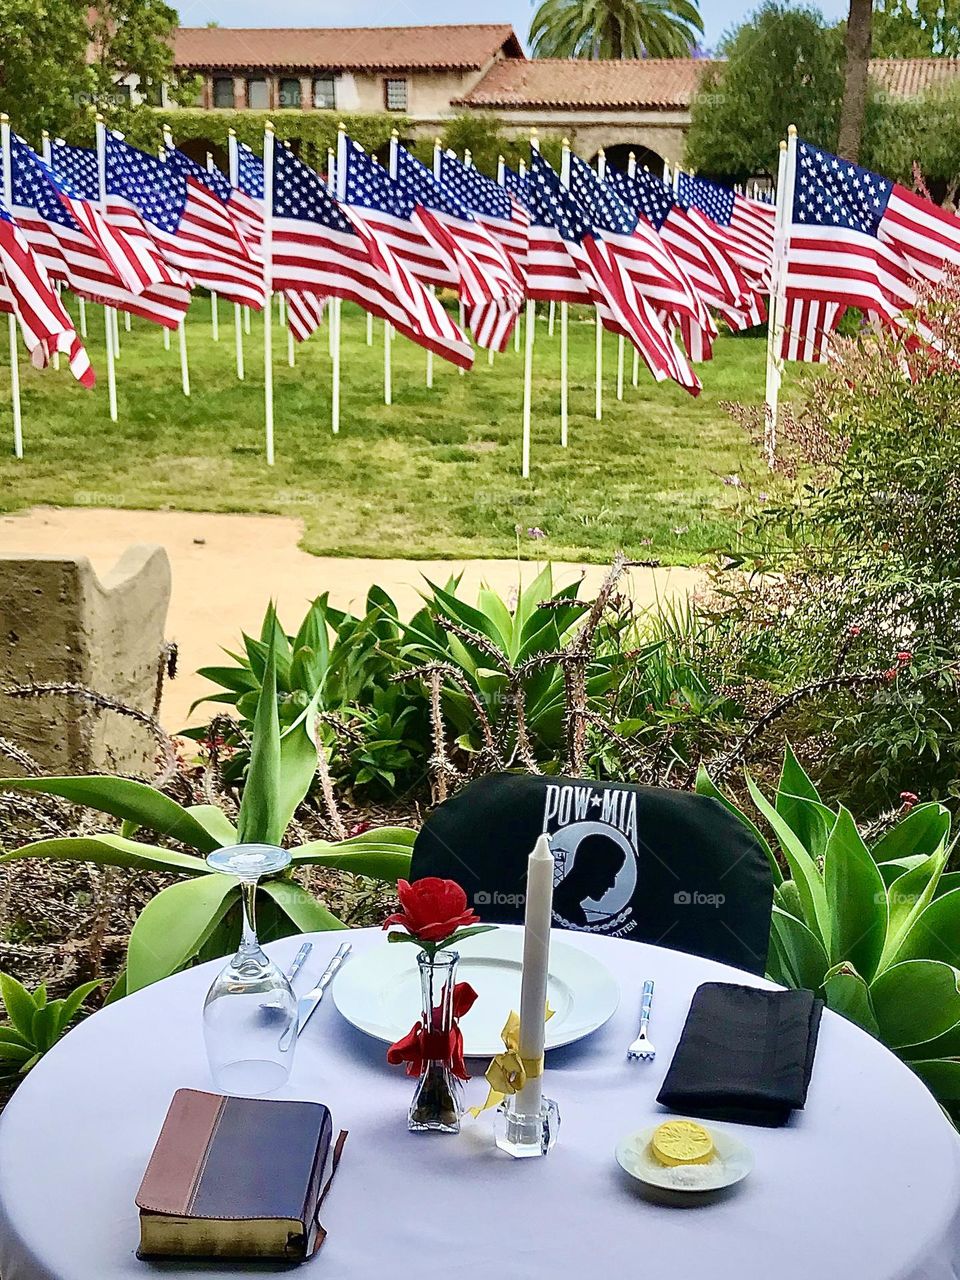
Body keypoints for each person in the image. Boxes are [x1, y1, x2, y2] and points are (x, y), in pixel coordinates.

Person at [553, 833, 627, 927]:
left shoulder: (569, 909)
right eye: (608, 875)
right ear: (589, 869)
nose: (612, 884)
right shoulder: (572, 914)